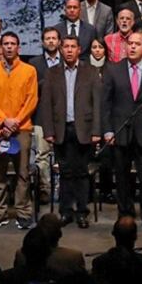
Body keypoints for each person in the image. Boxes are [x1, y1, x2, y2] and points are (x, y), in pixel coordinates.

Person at [103, 29, 142, 230]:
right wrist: (108, 130)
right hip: (120, 130)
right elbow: (106, 103)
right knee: (122, 177)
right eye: (130, 43)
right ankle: (125, 214)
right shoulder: (113, 69)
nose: (132, 47)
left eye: (137, 44)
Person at [39, 35, 102, 228]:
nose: (69, 50)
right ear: (61, 49)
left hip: (84, 128)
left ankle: (82, 212)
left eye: (72, 47)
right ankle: (65, 211)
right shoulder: (52, 73)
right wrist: (48, 130)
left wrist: (96, 130)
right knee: (65, 172)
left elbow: (97, 103)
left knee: (82, 172)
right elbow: (46, 104)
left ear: (79, 49)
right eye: (65, 46)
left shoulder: (91, 71)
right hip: (61, 129)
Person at [0, 31, 38, 230]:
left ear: (18, 47)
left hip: (21, 129)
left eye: (13, 43)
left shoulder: (29, 70)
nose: (9, 47)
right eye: (6, 43)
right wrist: (3, 120)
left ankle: (23, 213)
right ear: (1, 47)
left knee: (23, 173)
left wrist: (16, 121)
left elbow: (32, 98)